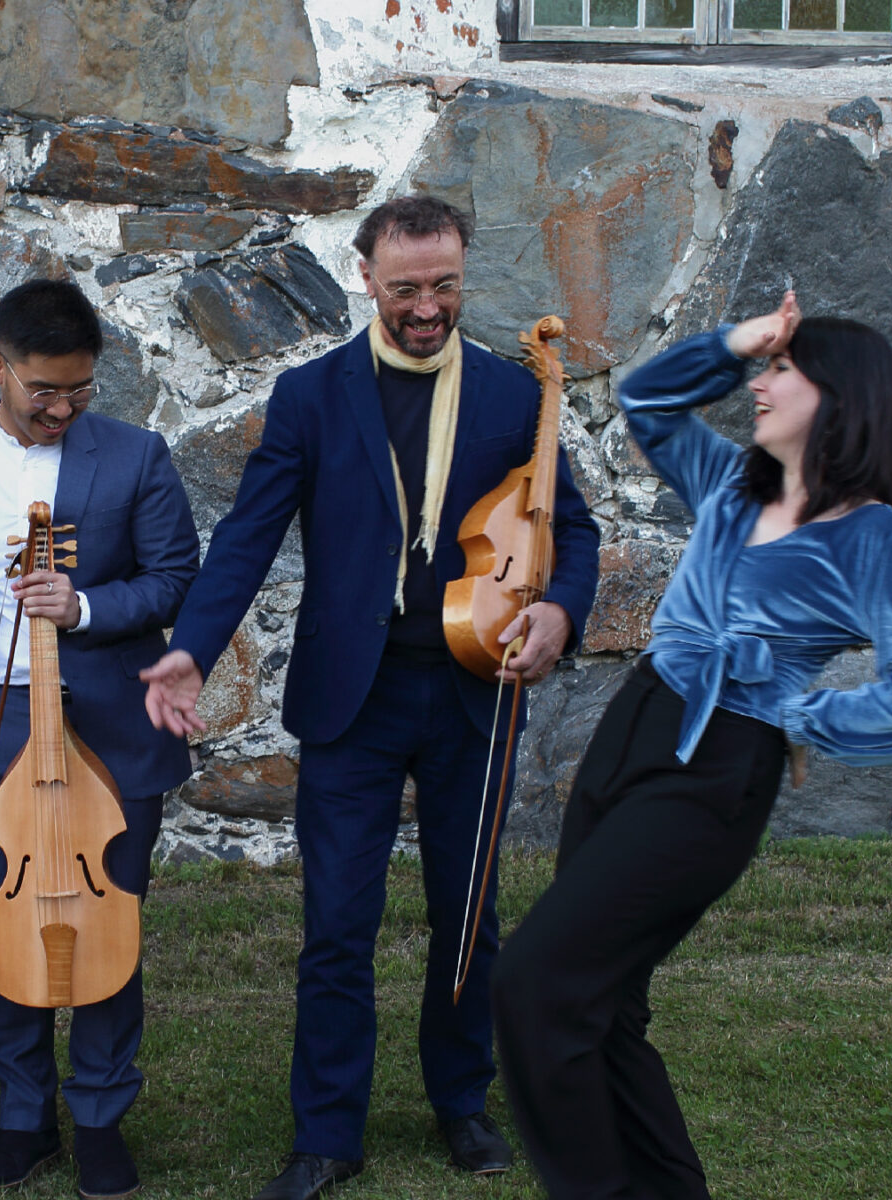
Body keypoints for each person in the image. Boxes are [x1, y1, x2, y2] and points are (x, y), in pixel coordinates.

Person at [140, 195, 602, 1199]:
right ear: (366, 279)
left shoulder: (513, 391)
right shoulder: (310, 398)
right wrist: (190, 651)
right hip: (350, 700)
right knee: (337, 922)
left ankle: (461, 1099)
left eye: (443, 285)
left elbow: (572, 529)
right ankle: (325, 1133)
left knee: (466, 911)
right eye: (406, 289)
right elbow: (245, 540)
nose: (427, 306)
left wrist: (562, 613)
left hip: (473, 692)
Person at [490, 293, 892, 1198]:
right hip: (635, 726)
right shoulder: (731, 481)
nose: (759, 384)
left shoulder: (880, 542)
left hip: (717, 770)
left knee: (536, 984)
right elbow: (647, 399)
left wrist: (806, 718)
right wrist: (739, 340)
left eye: (782, 370)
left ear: (839, 396)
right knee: (606, 1005)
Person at [0, 278, 199, 1200]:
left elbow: (174, 579)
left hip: (109, 719)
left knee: (106, 915)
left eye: (80, 390)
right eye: (44, 391)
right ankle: (24, 1117)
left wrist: (80, 606)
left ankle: (103, 1117)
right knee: (12, 917)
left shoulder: (137, 455)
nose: (63, 409)